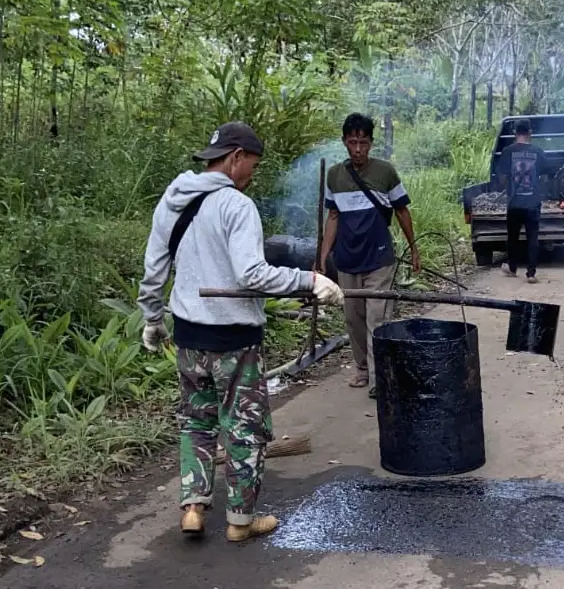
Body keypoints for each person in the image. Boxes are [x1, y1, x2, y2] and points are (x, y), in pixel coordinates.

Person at [138, 121, 345, 542]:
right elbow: (252, 274)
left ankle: (193, 508)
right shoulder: (236, 206)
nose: (252, 173)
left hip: (189, 334)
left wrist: (152, 317)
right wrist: (309, 282)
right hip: (233, 339)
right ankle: (239, 520)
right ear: (235, 158)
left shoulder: (175, 198)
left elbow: (156, 260)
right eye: (252, 163)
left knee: (196, 421)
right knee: (244, 427)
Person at [319, 113, 420, 398]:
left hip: (379, 258)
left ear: (371, 143)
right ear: (344, 143)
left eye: (363, 142)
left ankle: (380, 378)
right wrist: (323, 256)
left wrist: (414, 249)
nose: (359, 149)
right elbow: (333, 216)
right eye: (353, 142)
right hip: (347, 259)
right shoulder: (335, 176)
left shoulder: (385, 172)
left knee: (378, 318)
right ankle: (362, 368)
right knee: (353, 318)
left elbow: (402, 211)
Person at [497, 119, 546, 283]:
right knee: (533, 237)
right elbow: (545, 174)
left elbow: (502, 177)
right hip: (532, 202)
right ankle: (531, 273)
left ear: (515, 133)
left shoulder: (507, 151)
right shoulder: (538, 152)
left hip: (514, 202)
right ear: (530, 132)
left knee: (513, 237)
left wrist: (509, 188)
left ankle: (512, 268)